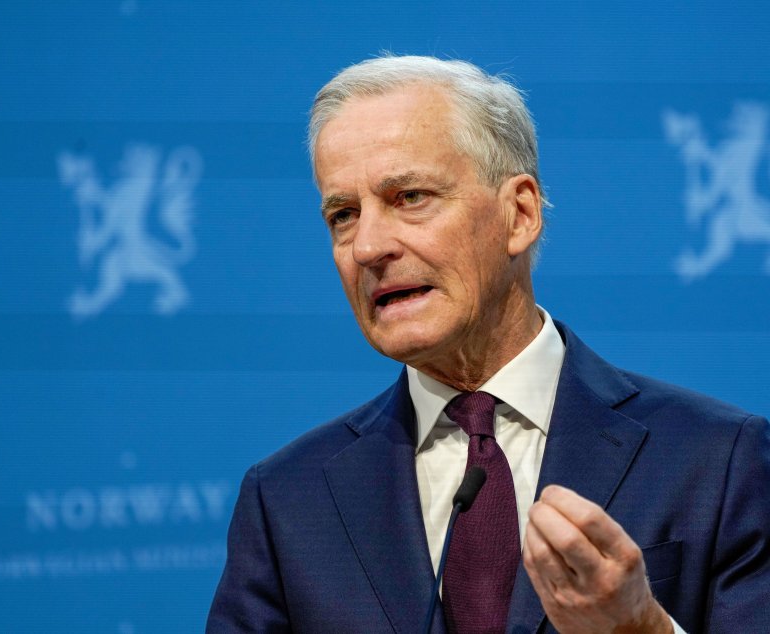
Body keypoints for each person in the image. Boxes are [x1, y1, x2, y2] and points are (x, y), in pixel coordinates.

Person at [206, 56, 770, 633]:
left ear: (519, 214)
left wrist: (640, 629)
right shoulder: (287, 503)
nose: (368, 247)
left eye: (409, 197)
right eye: (343, 214)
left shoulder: (718, 460)